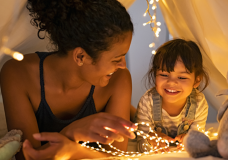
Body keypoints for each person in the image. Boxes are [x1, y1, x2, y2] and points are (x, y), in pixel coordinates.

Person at [0, 0, 137, 159]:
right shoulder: (18, 74)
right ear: (81, 56)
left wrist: (73, 148)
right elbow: (28, 157)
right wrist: (72, 132)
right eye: (116, 59)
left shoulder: (119, 80)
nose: (122, 65)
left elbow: (117, 156)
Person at [135, 39, 210, 153]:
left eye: (182, 77)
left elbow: (198, 141)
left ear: (196, 80)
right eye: (164, 74)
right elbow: (140, 145)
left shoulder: (199, 103)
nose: (171, 82)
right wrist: (151, 141)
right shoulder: (147, 102)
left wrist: (190, 141)